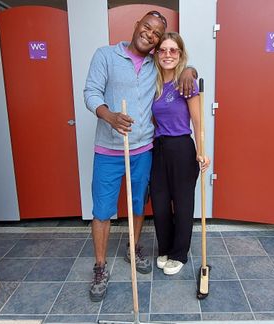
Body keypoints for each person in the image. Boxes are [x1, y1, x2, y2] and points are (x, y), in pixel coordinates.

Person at [83, 11, 196, 302]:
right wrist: (108, 115)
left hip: (144, 149)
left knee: (138, 204)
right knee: (102, 210)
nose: (150, 34)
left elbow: (179, 68)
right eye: (147, 27)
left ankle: (133, 249)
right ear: (136, 26)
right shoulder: (105, 55)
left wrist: (190, 71)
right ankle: (100, 266)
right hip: (108, 149)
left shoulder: (153, 65)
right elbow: (91, 92)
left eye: (157, 33)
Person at [150, 32, 210, 276]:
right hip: (158, 148)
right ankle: (165, 248)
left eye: (173, 50)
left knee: (183, 204)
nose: (167, 54)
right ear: (156, 54)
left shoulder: (186, 83)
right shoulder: (152, 83)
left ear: (181, 54)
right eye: (163, 50)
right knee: (161, 204)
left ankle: (179, 253)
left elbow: (198, 122)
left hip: (182, 148)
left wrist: (202, 152)